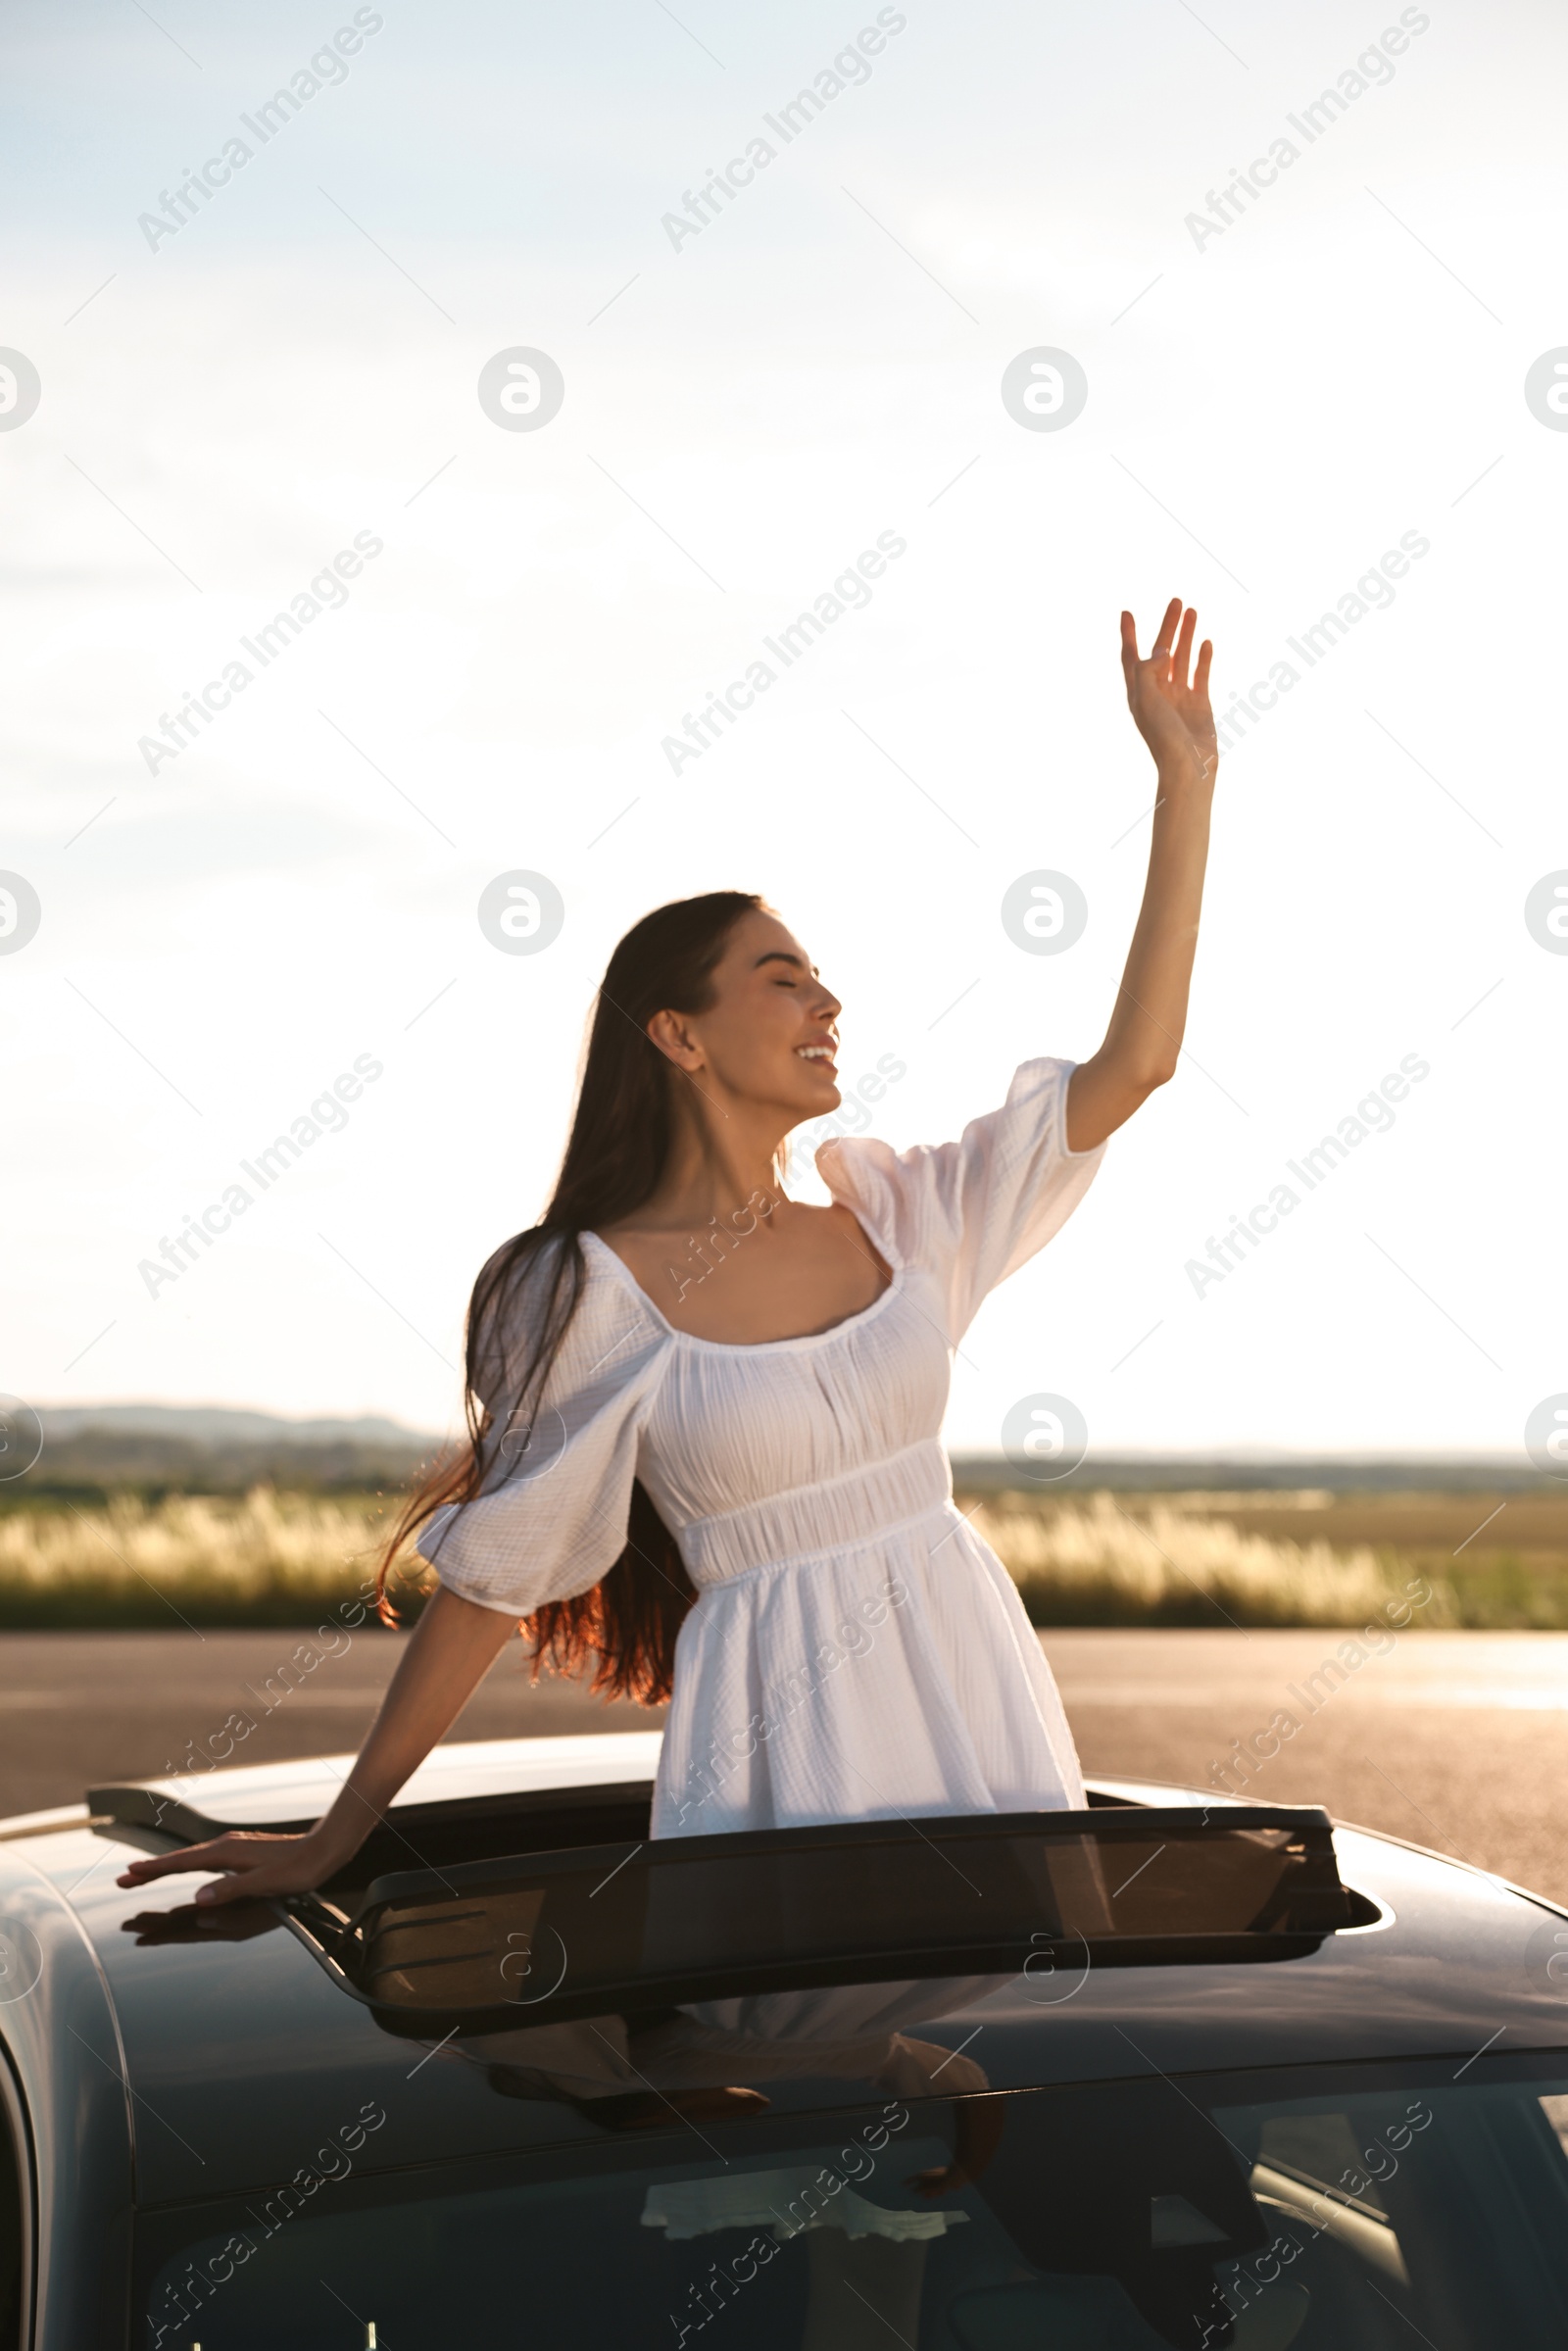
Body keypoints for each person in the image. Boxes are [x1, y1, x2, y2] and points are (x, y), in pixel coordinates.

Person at [119, 598, 1218, 1908]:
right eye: (782, 977)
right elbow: (493, 1578)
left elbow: (1137, 1063)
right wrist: (339, 1831)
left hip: (979, 1718)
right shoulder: (583, 1289)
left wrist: (1186, 781)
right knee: (816, 2036)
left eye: (820, 979)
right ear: (678, 1036)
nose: (829, 1003)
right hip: (781, 1756)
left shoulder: (907, 1217)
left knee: (1019, 2042)